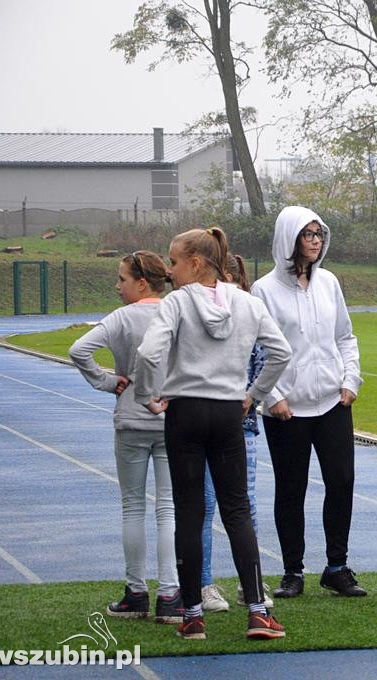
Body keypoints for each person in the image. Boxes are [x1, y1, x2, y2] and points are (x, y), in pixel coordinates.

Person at [134, 227, 292, 641]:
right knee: (237, 510)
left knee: (190, 512)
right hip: (228, 413)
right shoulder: (246, 301)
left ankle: (192, 616)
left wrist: (149, 394)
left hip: (183, 412)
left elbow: (149, 353)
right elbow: (281, 352)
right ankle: (258, 612)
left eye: (173, 261)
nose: (169, 271)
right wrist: (253, 394)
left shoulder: (175, 303)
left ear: (196, 263)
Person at [251, 206, 366, 599]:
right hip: (287, 411)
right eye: (307, 234)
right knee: (291, 488)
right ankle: (292, 571)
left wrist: (350, 380)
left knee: (342, 482)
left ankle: (337, 566)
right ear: (289, 239)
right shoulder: (263, 290)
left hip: (332, 403)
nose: (315, 241)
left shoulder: (329, 282)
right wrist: (274, 396)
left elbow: (345, 337)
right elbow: (260, 349)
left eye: (319, 234)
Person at [68, 251, 182, 624]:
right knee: (168, 508)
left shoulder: (121, 318)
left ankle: (137, 592)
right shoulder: (177, 310)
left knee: (133, 506)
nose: (117, 286)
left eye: (122, 279)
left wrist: (106, 380)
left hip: (131, 419)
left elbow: (79, 350)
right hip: (171, 418)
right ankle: (170, 594)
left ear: (141, 283)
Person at [199, 254, 274, 612]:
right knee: (204, 505)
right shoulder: (193, 312)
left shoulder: (249, 314)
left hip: (240, 426)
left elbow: (268, 358)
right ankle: (203, 585)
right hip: (200, 424)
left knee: (246, 506)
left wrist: (251, 397)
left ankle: (251, 585)